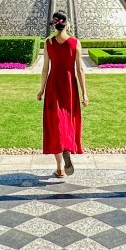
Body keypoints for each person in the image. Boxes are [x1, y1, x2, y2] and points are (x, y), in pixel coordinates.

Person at [37, 10, 88, 178]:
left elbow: (45, 68)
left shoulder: (48, 42)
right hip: (69, 87)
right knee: (67, 119)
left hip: (53, 85)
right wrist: (84, 94)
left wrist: (41, 89)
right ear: (67, 24)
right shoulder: (75, 42)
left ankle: (59, 167)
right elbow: (80, 69)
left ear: (56, 24)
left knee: (55, 122)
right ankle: (67, 147)